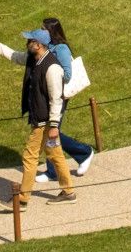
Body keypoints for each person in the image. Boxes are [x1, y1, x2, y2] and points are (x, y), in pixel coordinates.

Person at [0, 27, 76, 207]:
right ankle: (68, 191)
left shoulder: (52, 68)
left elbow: (56, 99)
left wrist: (53, 126)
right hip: (43, 120)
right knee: (55, 154)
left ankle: (21, 200)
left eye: (30, 41)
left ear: (39, 45)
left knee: (29, 157)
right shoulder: (33, 58)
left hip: (44, 123)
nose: (27, 44)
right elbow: (12, 55)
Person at [32, 17, 94, 182]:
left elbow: (67, 74)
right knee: (50, 131)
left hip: (58, 95)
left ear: (51, 31)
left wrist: (50, 73)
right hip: (47, 94)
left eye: (43, 29)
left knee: (53, 132)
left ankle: (84, 152)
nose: (40, 31)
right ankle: (53, 170)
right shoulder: (46, 46)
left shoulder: (61, 48)